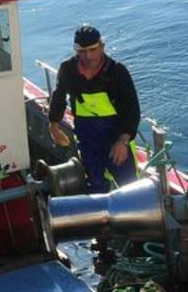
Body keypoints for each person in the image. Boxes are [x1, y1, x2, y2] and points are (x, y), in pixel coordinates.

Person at [47, 26, 141, 193]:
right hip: (87, 138)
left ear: (102, 46)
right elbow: (59, 96)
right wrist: (53, 124)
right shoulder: (67, 69)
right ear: (75, 50)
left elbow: (132, 110)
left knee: (129, 186)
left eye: (92, 49)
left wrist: (123, 141)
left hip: (116, 138)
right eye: (82, 51)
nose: (88, 56)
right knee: (97, 185)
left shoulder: (117, 72)